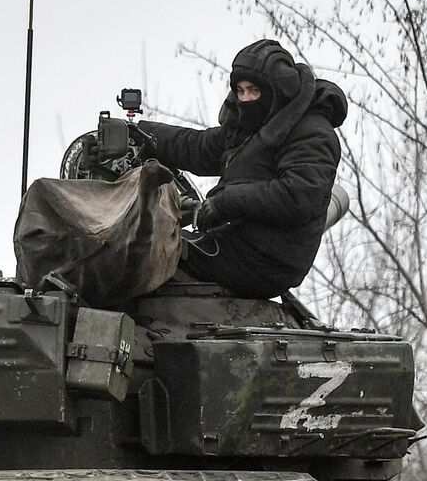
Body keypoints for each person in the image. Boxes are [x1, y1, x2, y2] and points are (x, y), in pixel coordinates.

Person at [133, 39, 348, 299]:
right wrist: (141, 134)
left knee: (151, 258)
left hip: (266, 261)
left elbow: (298, 196)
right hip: (236, 243)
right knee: (140, 247)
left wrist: (225, 203)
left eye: (254, 90)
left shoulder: (312, 133)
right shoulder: (250, 126)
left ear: (277, 90)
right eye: (240, 90)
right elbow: (198, 147)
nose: (245, 99)